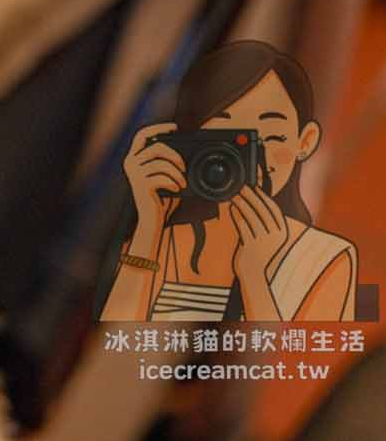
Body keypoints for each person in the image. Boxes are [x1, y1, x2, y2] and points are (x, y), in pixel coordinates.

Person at [101, 40, 357, 321]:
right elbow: (118, 329)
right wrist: (149, 224)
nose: (249, 159)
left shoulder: (327, 258)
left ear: (305, 142)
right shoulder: (167, 234)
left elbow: (259, 358)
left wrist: (255, 276)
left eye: (271, 136)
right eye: (229, 140)